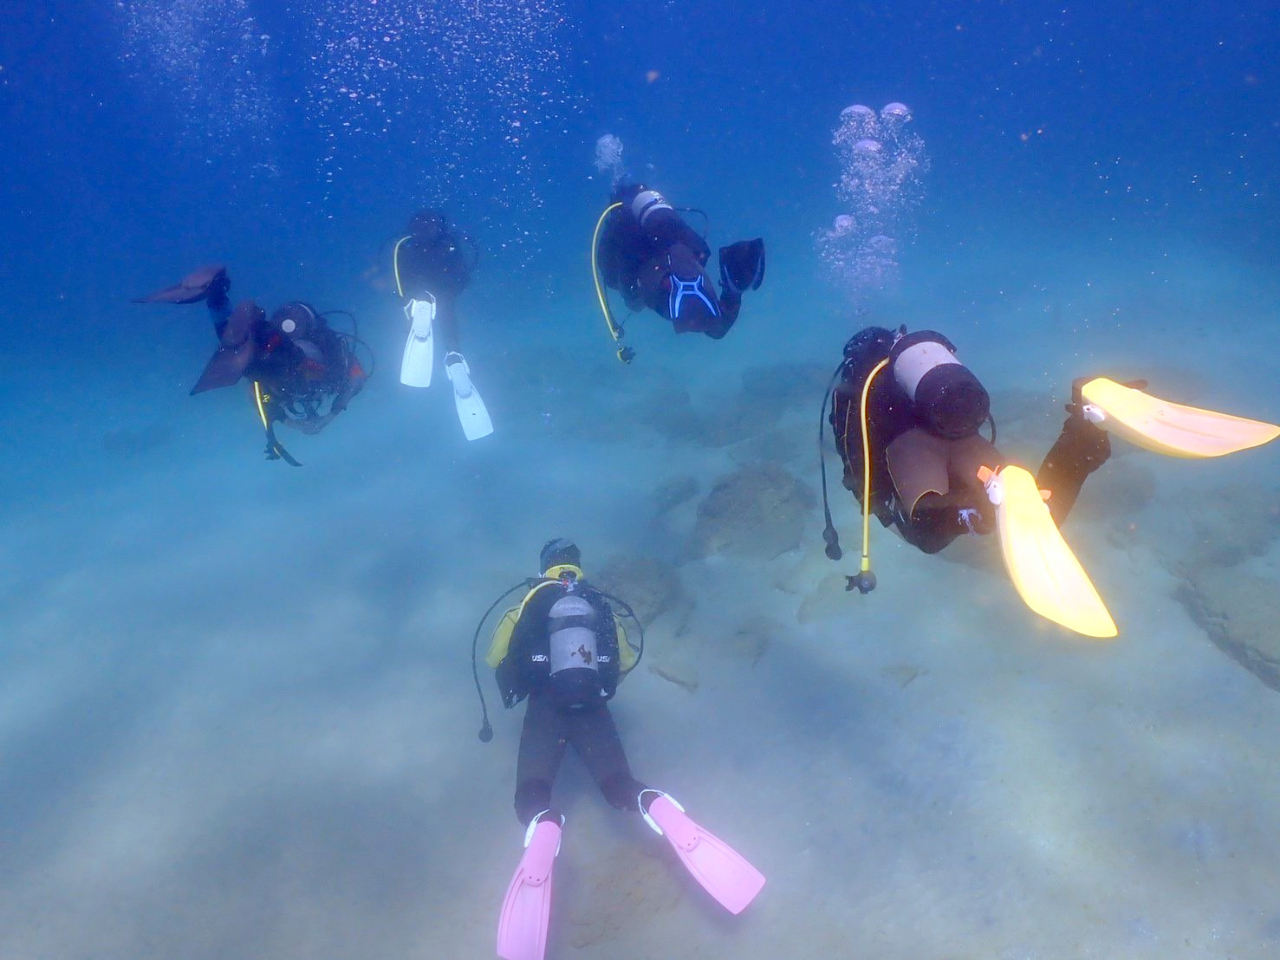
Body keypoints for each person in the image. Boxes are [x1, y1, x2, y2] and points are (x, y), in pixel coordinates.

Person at [824, 325, 1279, 636]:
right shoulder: (918, 380)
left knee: (926, 531)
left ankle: (984, 503)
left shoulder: (859, 397)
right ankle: (1086, 419)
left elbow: (866, 478)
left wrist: (961, 510)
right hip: (960, 433)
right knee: (1025, 505)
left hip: (915, 451)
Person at [473, 538, 765, 960]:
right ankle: (657, 806)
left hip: (545, 708)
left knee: (532, 792)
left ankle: (547, 826)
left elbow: (493, 656)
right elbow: (624, 659)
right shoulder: (597, 603)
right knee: (618, 785)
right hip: (591, 705)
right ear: (576, 566)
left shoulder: (531, 601)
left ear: (545, 569)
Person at [134, 265, 367, 465]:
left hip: (284, 359)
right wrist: (317, 418)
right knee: (262, 360)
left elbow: (260, 399)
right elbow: (354, 377)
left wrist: (310, 421)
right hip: (290, 358)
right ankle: (221, 302)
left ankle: (218, 299)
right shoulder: (328, 366)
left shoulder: (328, 362)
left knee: (253, 360)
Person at [591, 179, 765, 360]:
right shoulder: (657, 213)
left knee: (714, 326)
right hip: (682, 251)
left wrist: (632, 296)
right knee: (715, 325)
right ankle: (732, 281)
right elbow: (684, 233)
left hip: (655, 272)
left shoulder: (616, 223)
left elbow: (610, 273)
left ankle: (717, 289)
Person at [391, 209, 492, 441]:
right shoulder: (450, 243)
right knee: (447, 312)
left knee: (417, 299)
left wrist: (407, 299)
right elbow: (462, 276)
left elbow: (399, 281)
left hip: (418, 289)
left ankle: (418, 312)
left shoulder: (405, 247)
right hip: (446, 288)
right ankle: (454, 356)